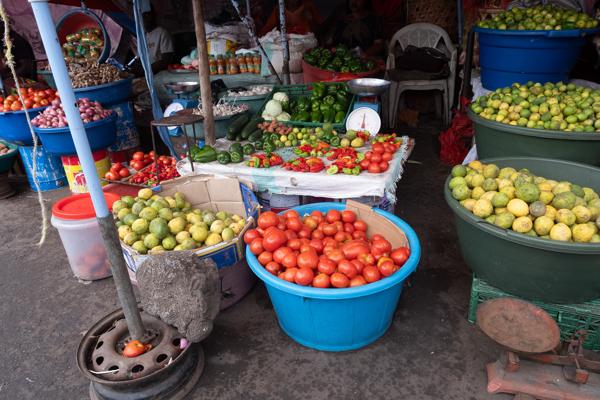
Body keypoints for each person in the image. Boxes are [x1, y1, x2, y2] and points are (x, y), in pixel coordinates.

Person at [259, 0, 324, 36]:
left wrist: (311, 21)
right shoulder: (279, 9)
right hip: (289, 45)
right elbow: (267, 29)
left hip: (308, 42)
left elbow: (322, 27)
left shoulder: (308, 5)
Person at [143, 6, 174, 73]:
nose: (145, 18)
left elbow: (166, 60)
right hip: (147, 73)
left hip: (160, 73)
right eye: (143, 15)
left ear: (154, 15)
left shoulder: (162, 33)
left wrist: (146, 69)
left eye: (148, 14)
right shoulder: (143, 36)